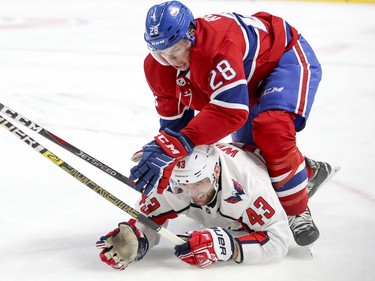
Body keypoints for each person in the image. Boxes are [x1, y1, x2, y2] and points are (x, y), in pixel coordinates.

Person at [129, 1, 337, 247]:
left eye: (175, 48)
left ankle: (296, 211)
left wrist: (175, 144)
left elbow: (230, 112)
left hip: (283, 59)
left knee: (272, 129)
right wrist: (166, 154)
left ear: (192, 34)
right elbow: (175, 127)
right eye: (159, 52)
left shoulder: (218, 47)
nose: (169, 59)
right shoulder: (157, 67)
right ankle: (307, 171)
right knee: (253, 159)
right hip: (244, 77)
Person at [97, 143, 290, 269]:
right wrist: (138, 236)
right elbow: (150, 220)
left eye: (199, 183)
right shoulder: (177, 181)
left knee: (290, 191)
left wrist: (228, 247)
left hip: (261, 163)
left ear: (216, 170)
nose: (191, 193)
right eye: (183, 185)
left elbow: (278, 242)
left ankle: (308, 175)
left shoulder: (250, 186)